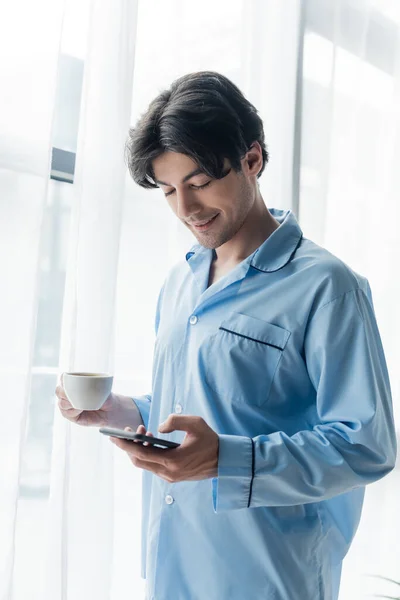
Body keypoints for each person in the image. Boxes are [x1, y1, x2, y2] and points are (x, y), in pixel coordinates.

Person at [56, 71, 397, 600]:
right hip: (173, 569)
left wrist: (228, 460)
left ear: (252, 160)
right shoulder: (179, 281)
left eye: (198, 183)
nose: (185, 209)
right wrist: (123, 412)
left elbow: (366, 445)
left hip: (268, 578)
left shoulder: (328, 287)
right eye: (168, 190)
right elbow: (210, 406)